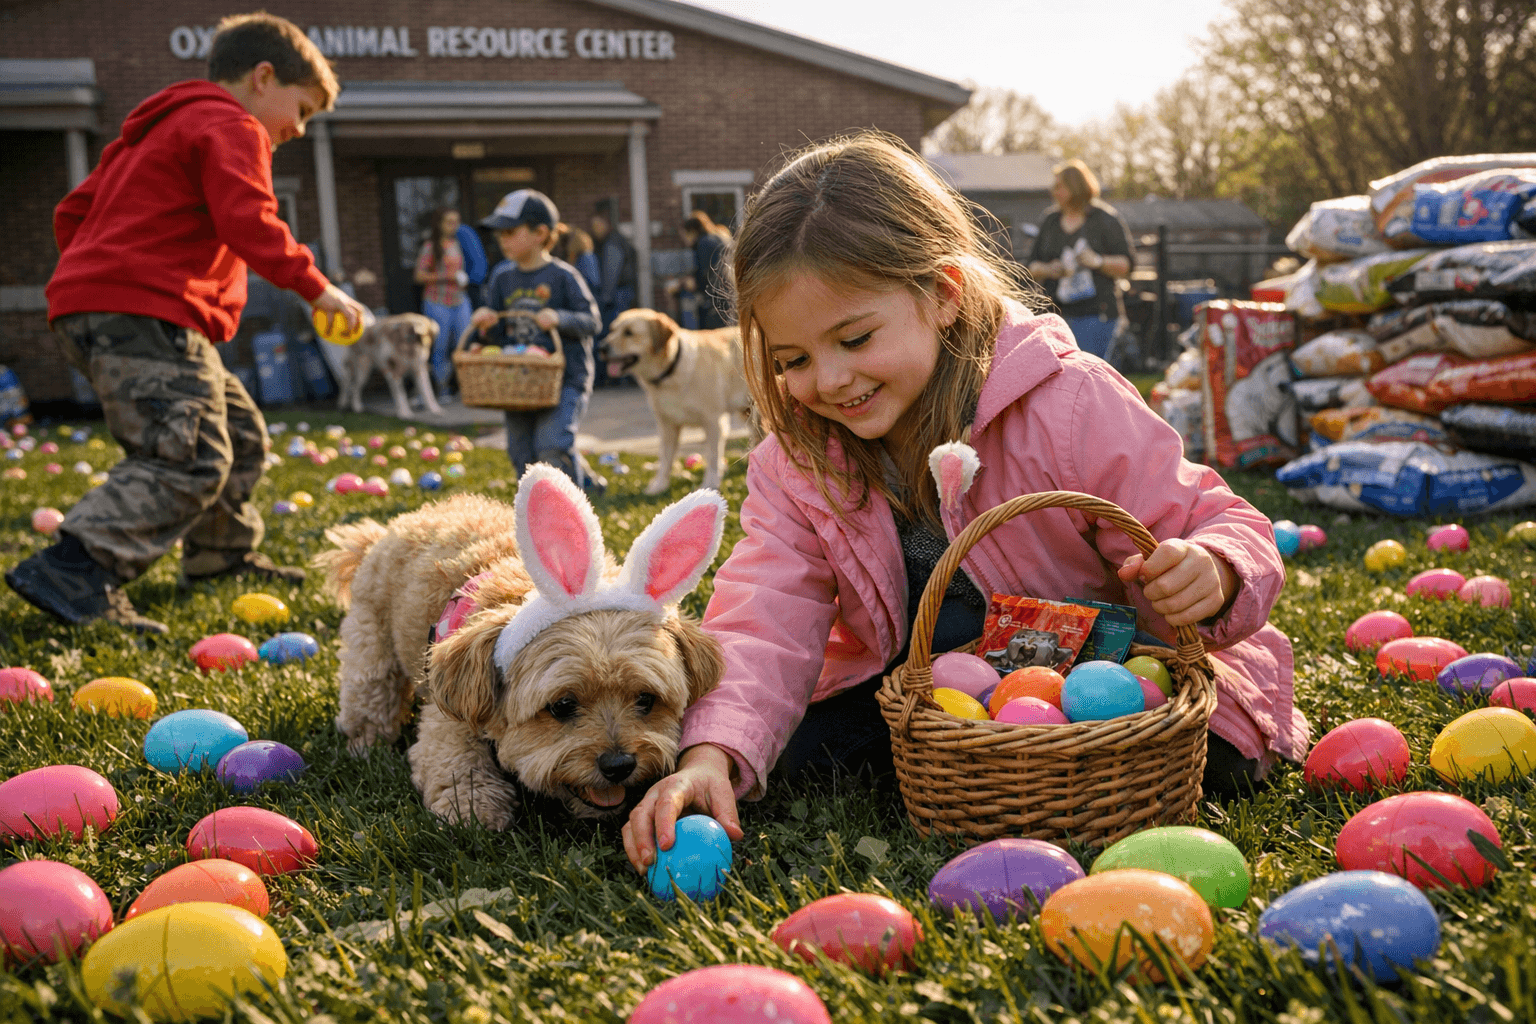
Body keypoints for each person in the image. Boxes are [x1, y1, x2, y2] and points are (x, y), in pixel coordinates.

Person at [622, 132, 1308, 872]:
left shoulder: (1070, 404)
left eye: (854, 338)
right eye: (793, 360)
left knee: (1218, 760)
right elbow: (765, 613)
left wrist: (1214, 568)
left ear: (943, 294)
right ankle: (957, 760)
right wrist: (712, 753)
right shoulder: (800, 459)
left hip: (1102, 681)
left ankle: (1062, 757)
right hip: (934, 698)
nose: (829, 380)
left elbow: (1220, 520)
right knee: (783, 753)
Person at [5, 11, 367, 635]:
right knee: (187, 453)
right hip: (147, 312)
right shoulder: (232, 124)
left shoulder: (151, 132)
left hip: (104, 308)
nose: (298, 129)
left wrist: (98, 276)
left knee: (239, 434)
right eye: (301, 110)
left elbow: (74, 211)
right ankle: (78, 566)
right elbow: (249, 222)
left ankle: (218, 557)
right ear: (262, 77)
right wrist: (318, 288)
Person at [469, 189, 604, 493]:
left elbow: (593, 322)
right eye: (499, 233)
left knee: (552, 443)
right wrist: (486, 328)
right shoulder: (502, 277)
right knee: (521, 454)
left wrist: (560, 317)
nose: (501, 239)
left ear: (540, 233)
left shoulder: (563, 276)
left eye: (509, 231)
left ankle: (570, 513)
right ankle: (541, 510)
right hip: (518, 383)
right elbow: (500, 337)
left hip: (565, 378)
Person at [1025, 159, 1135, 359]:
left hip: (1097, 316)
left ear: (1075, 187)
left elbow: (1127, 265)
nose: (1054, 191)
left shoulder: (1105, 219)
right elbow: (1031, 266)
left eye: (1059, 186)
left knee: (1091, 375)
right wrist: (1050, 269)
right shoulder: (1050, 221)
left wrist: (1099, 262)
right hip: (1055, 315)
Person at [415, 207, 474, 402]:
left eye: (456, 221)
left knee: (463, 344)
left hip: (460, 300)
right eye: (449, 222)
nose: (454, 226)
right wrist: (447, 276)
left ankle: (466, 387)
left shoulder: (458, 243)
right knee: (440, 346)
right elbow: (419, 276)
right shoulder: (430, 246)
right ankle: (442, 389)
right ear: (439, 224)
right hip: (437, 302)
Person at [589, 200, 638, 387]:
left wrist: (606, 299)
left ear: (604, 224)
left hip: (617, 297)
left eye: (596, 226)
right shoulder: (616, 241)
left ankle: (621, 378)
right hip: (622, 294)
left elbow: (611, 273)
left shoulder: (612, 244)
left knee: (616, 336)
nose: (594, 230)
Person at [679, 210, 733, 329]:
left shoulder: (704, 243)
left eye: (684, 234)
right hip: (727, 297)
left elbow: (706, 274)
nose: (684, 239)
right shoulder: (717, 237)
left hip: (714, 301)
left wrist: (692, 284)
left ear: (692, 232)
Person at [552, 224, 602, 295]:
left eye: (565, 242)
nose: (562, 247)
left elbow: (594, 283)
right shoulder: (573, 257)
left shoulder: (586, 258)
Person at [456, 217, 489, 309]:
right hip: (478, 278)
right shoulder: (466, 229)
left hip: (472, 281)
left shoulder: (459, 232)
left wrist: (468, 281)